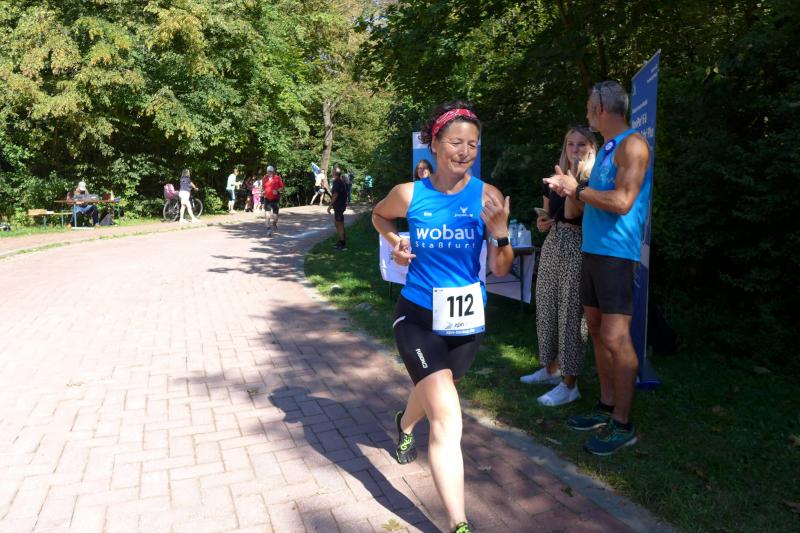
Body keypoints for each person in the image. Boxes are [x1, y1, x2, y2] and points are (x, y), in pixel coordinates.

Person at [372, 101, 513, 533]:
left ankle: (404, 422)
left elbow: (502, 268)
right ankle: (458, 524)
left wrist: (501, 233)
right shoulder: (409, 194)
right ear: (433, 144)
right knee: (449, 417)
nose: (464, 151)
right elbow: (379, 215)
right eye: (455, 142)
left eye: (472, 144)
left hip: (465, 323)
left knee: (437, 388)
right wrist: (396, 242)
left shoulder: (487, 195)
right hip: (416, 316)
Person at [544, 80, 651, 456]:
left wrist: (577, 190)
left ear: (601, 108)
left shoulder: (633, 145)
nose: (587, 112)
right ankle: (605, 407)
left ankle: (622, 423)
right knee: (597, 330)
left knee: (616, 337)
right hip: (592, 250)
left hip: (616, 255)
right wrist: (569, 190)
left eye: (590, 106)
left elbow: (622, 201)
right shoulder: (607, 147)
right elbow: (587, 202)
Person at [520, 125, 596, 407]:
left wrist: (573, 183)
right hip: (553, 242)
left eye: (581, 144)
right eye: (570, 144)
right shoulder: (553, 178)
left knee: (571, 313)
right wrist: (542, 222)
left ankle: (570, 382)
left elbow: (576, 213)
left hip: (579, 244)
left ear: (592, 148)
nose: (575, 149)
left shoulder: (593, 181)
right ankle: (550, 368)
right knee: (547, 306)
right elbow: (549, 215)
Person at [327, 167, 348, 250]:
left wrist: (330, 205)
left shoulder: (336, 182)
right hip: (340, 206)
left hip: (339, 206)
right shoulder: (341, 181)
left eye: (332, 171)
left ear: (334, 173)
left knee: (339, 224)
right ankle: (341, 241)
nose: (331, 172)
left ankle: (343, 244)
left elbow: (335, 195)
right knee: (338, 223)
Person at [263, 165, 285, 236]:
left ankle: (274, 223)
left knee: (275, 215)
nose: (269, 172)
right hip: (267, 198)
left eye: (271, 171)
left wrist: (277, 191)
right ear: (267, 171)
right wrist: (263, 191)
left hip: (275, 198)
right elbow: (263, 187)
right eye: (268, 171)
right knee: (267, 215)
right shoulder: (265, 178)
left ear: (273, 171)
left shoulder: (277, 178)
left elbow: (282, 187)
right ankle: (268, 229)